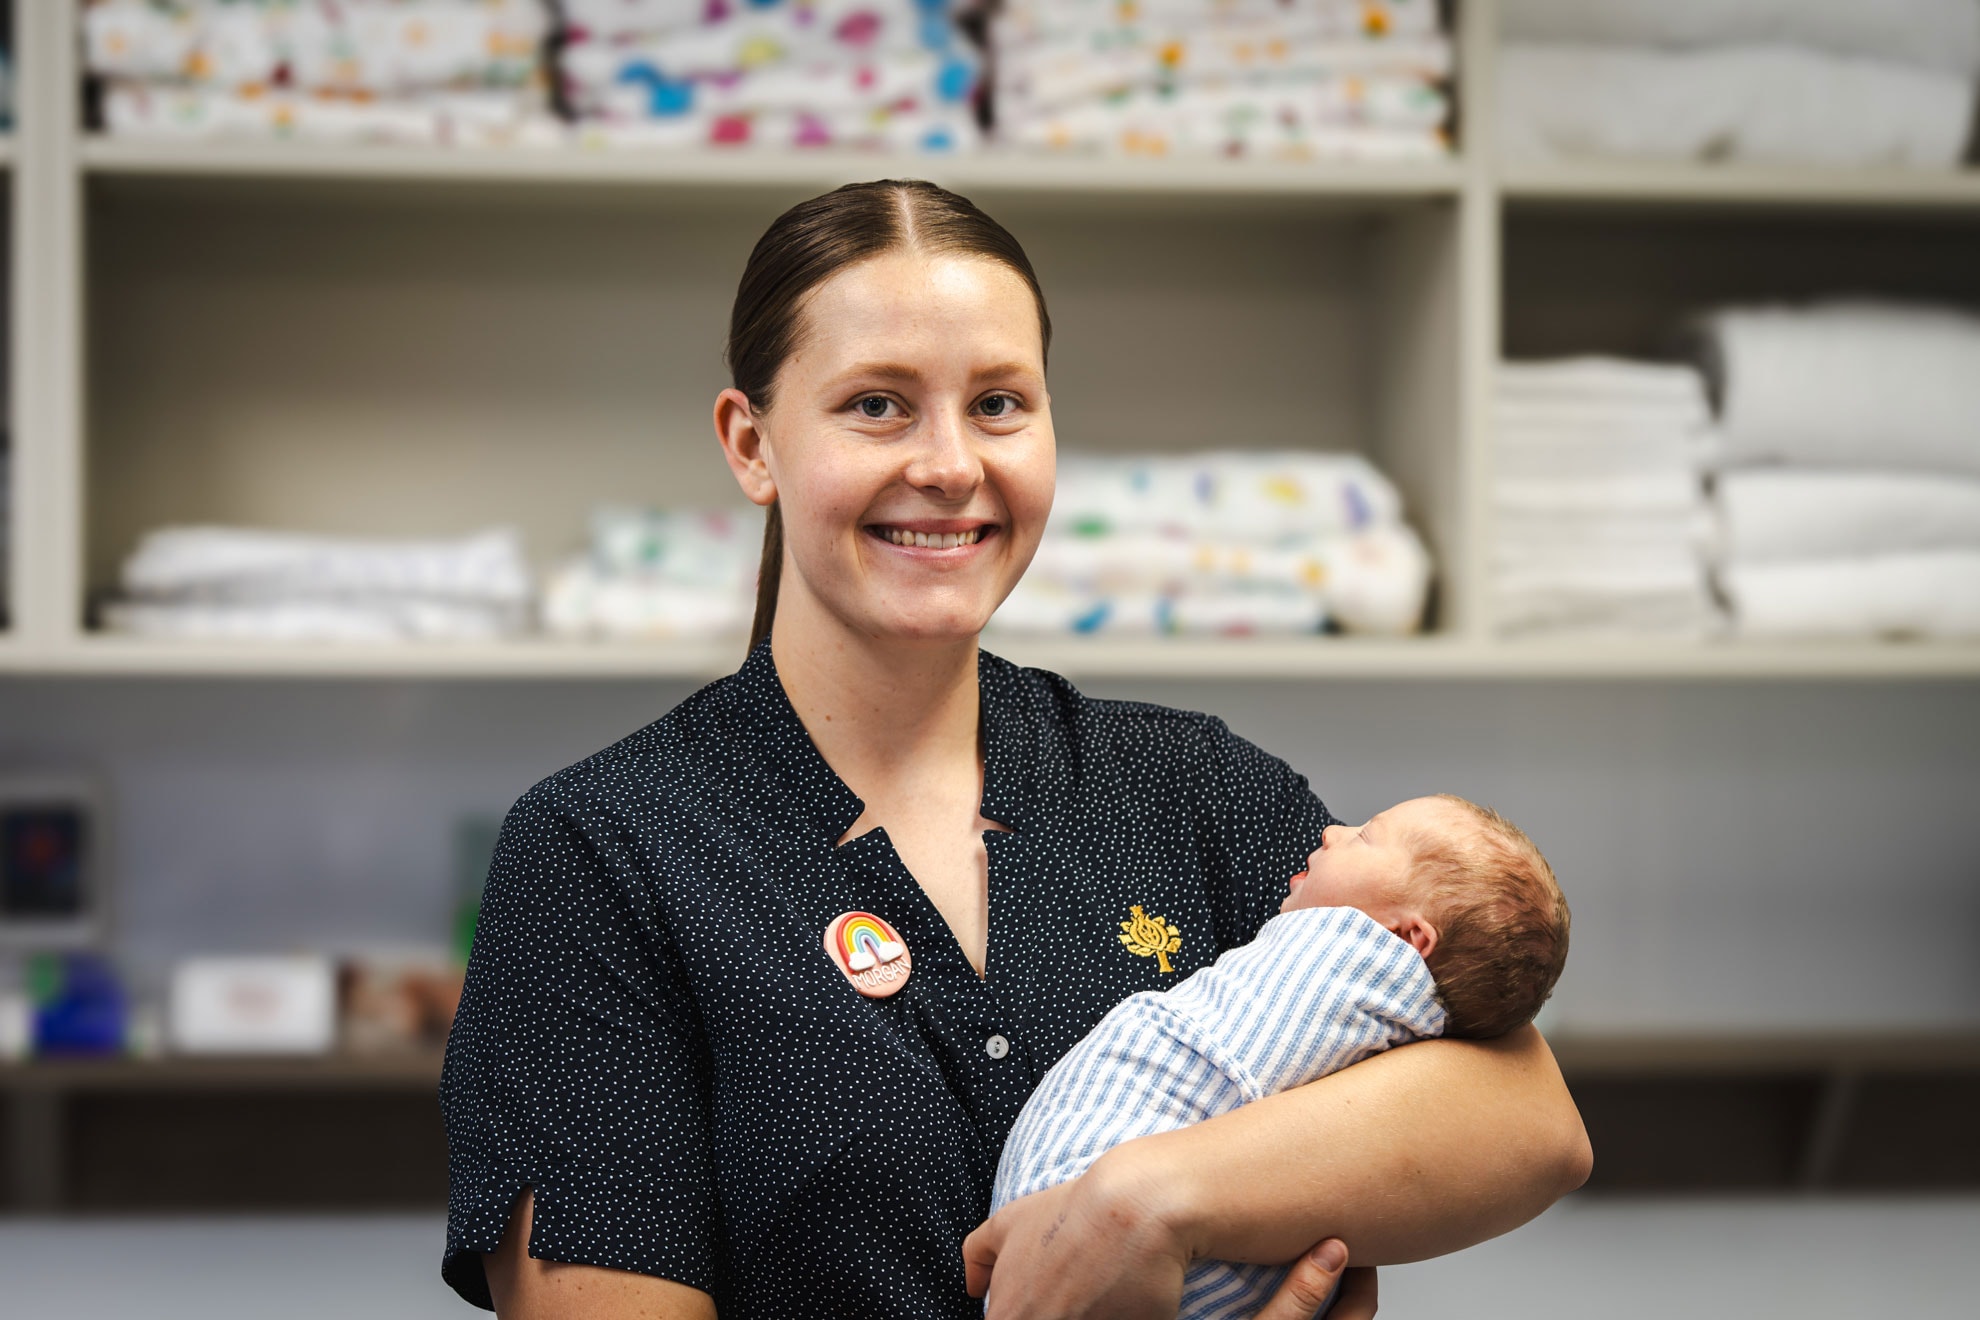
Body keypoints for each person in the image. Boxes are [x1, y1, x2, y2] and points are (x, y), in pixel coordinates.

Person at [438, 179, 1592, 1320]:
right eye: (878, 405)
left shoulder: (1190, 791)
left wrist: (1149, 1204)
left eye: (998, 404)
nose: (950, 465)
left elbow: (1527, 1122)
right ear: (752, 444)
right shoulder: (605, 854)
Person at [991, 795, 1570, 1317]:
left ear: (1408, 942)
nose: (1330, 832)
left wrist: (1142, 1200)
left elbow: (1551, 1132)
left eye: (1365, 836)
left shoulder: (1207, 783)